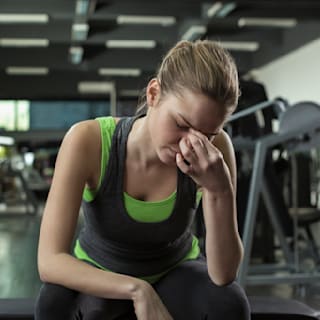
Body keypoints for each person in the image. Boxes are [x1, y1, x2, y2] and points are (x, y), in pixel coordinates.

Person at [35, 39, 250, 320]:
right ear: (153, 94)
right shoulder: (88, 140)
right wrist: (138, 289)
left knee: (228, 302)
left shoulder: (216, 151)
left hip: (176, 272)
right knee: (54, 303)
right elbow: (50, 261)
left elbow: (223, 274)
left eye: (207, 135)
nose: (191, 145)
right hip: (100, 270)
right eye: (182, 125)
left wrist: (219, 189)